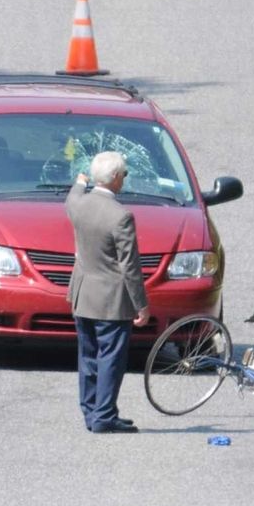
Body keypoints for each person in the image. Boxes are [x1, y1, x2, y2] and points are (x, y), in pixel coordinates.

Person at [66, 151, 150, 434]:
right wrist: (141, 304)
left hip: (83, 295)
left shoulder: (78, 205)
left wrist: (81, 181)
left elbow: (72, 197)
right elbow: (130, 266)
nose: (124, 179)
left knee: (88, 356)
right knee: (111, 358)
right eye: (123, 174)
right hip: (111, 300)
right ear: (115, 178)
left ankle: (92, 412)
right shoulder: (120, 216)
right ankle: (104, 415)